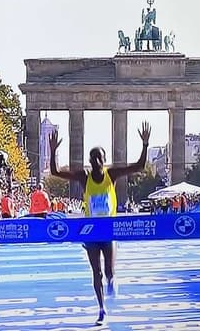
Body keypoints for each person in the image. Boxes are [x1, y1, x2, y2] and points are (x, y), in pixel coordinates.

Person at [49, 121, 151, 326]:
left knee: (109, 272)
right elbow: (55, 172)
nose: (97, 161)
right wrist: (53, 151)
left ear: (104, 161)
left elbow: (139, 167)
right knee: (96, 272)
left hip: (109, 229)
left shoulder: (111, 174)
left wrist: (145, 145)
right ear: (89, 160)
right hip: (91, 231)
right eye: (94, 158)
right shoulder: (83, 177)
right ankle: (101, 309)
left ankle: (112, 281)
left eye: (100, 158)